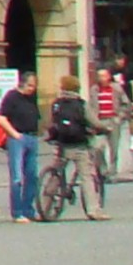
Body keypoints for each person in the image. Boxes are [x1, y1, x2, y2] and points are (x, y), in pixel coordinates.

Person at [48, 76, 105, 218]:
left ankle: (45, 205)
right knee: (86, 177)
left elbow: (52, 123)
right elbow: (94, 123)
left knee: (56, 174)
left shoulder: (56, 104)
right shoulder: (81, 105)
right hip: (79, 145)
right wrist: (104, 128)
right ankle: (93, 210)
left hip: (61, 145)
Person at [0, 70, 43, 222]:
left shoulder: (32, 98)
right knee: (17, 177)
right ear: (21, 83)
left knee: (32, 176)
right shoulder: (12, 97)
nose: (32, 89)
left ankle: (28, 209)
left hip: (32, 137)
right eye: (29, 85)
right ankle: (17, 212)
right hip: (18, 138)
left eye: (34, 86)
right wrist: (15, 134)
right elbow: (1, 119)